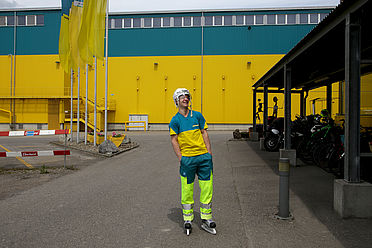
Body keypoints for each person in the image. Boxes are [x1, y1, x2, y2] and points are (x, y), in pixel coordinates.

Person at [169, 88, 216, 235]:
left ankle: (206, 218)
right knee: (187, 189)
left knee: (207, 188)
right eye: (182, 96)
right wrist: (180, 158)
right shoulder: (175, 120)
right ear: (176, 101)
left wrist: (209, 152)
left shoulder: (197, 116)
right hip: (187, 159)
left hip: (203, 158)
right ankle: (187, 219)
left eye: (187, 96)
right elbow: (174, 140)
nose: (185, 98)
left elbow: (204, 133)